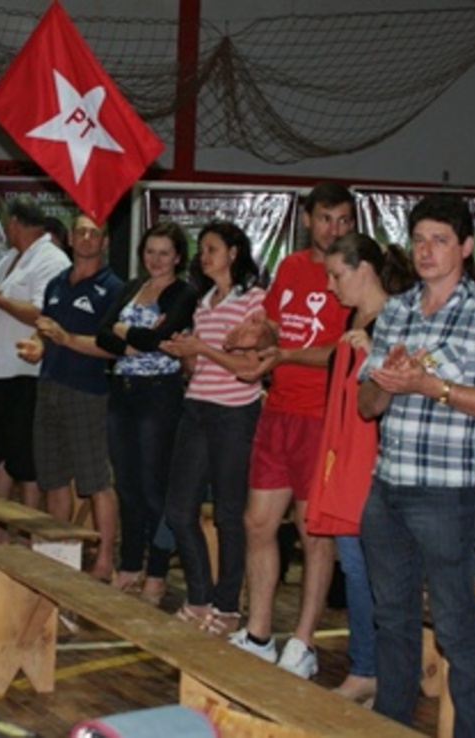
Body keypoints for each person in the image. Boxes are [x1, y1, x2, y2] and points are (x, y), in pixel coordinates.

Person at [357, 194, 475, 735]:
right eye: (419, 239)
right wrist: (386, 380)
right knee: (392, 619)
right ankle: (392, 722)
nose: (426, 251)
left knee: (455, 627)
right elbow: (366, 407)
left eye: (440, 240)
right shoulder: (397, 309)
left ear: (467, 247)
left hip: (447, 494)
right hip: (388, 486)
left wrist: (435, 387)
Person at [225, 183, 354, 678]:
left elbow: (345, 350)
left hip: (323, 419)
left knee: (314, 534)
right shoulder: (292, 267)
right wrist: (258, 334)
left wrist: (285, 354)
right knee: (258, 524)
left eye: (343, 220)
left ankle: (303, 643)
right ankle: (259, 633)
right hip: (277, 411)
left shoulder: (355, 273)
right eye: (326, 219)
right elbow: (279, 326)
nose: (334, 230)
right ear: (307, 219)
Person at [311, 233, 413, 705]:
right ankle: (370, 666)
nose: (331, 287)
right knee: (354, 564)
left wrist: (372, 348)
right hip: (350, 452)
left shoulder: (393, 317)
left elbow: (402, 388)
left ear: (365, 270)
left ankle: (372, 668)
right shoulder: (358, 317)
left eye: (337, 275)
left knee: (365, 566)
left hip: (379, 457)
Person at [161, 221, 265, 636]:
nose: (204, 257)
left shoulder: (253, 301)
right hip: (197, 409)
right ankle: (200, 595)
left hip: (234, 414)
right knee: (179, 508)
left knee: (227, 513)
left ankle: (227, 605)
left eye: (212, 249)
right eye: (201, 250)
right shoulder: (204, 303)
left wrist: (201, 348)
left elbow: (249, 369)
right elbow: (199, 367)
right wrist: (185, 353)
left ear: (234, 253)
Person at [95, 222, 198, 603]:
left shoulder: (183, 292)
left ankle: (157, 570)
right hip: (122, 392)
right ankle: (129, 564)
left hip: (159, 395)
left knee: (155, 487)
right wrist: (129, 336)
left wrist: (127, 333)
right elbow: (102, 331)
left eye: (164, 253)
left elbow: (160, 339)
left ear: (177, 257)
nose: (155, 260)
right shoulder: (130, 288)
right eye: (149, 251)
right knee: (127, 484)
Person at [16, 214, 123, 579]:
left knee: (95, 481)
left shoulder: (113, 289)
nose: (87, 238)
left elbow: (114, 349)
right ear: (71, 239)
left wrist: (66, 339)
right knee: (53, 479)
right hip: (48, 386)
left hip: (86, 391)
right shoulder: (57, 283)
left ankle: (105, 559)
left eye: (95, 233)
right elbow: (44, 332)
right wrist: (36, 346)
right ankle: (57, 555)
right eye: (81, 232)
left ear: (105, 241)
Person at [0, 196, 71, 520]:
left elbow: (43, 313)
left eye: (7, 225)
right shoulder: (8, 258)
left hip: (26, 372)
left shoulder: (51, 260)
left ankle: (26, 527)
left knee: (25, 457)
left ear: (15, 223)